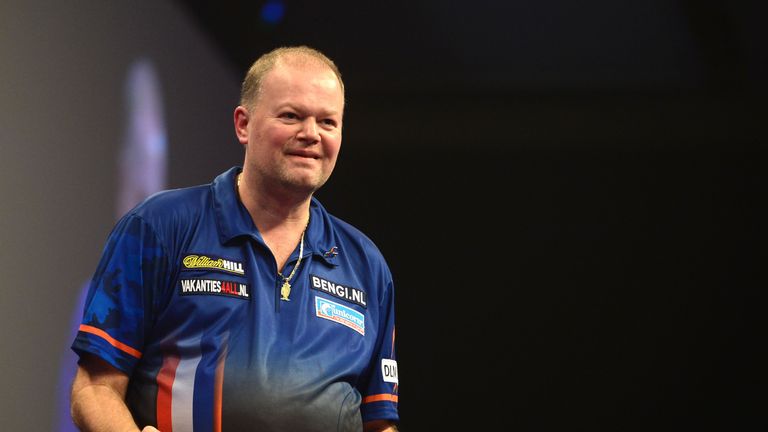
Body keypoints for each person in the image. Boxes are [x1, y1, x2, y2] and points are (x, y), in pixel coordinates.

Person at [70, 46, 399, 432]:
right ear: (243, 124)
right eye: (291, 116)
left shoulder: (366, 264)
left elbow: (379, 422)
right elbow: (94, 388)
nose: (311, 134)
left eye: (327, 122)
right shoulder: (159, 226)